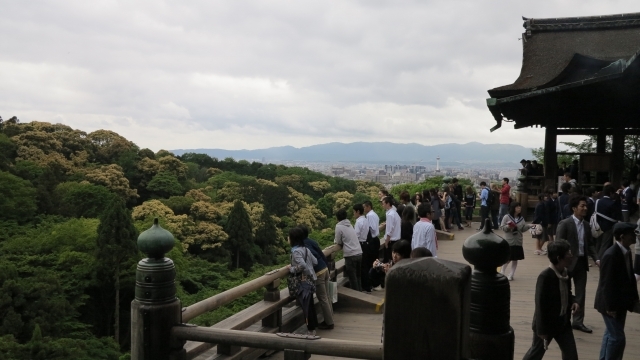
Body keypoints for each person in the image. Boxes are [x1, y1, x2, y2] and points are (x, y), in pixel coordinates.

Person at [522, 240, 579, 360]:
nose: (571, 255)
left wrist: (573, 301)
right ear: (559, 258)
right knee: (535, 354)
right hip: (546, 325)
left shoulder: (566, 273)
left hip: (563, 322)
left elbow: (568, 293)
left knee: (571, 355)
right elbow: (540, 305)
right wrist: (541, 330)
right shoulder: (545, 277)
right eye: (568, 253)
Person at [594, 222, 639, 359]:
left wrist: (634, 300)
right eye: (632, 234)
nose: (635, 236)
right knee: (617, 338)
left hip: (620, 302)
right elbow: (606, 283)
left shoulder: (625, 251)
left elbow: (629, 278)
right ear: (622, 236)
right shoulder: (611, 255)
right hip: (611, 305)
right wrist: (609, 307)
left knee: (610, 334)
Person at [555, 195, 599, 334]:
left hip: (581, 262)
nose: (585, 208)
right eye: (582, 206)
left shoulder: (586, 225)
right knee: (564, 292)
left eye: (586, 206)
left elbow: (590, 244)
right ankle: (562, 319)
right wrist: (558, 263)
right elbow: (558, 244)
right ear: (574, 208)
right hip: (567, 263)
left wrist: (597, 259)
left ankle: (578, 321)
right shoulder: (565, 223)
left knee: (581, 293)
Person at [300, 226, 334, 330]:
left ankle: (329, 323)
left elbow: (311, 258)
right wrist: (327, 266)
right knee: (327, 296)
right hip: (324, 268)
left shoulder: (304, 245)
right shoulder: (311, 241)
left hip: (318, 272)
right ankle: (330, 318)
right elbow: (321, 254)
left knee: (323, 298)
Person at [287, 227, 319, 336]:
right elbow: (315, 261)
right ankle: (314, 326)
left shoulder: (295, 252)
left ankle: (311, 330)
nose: (288, 238)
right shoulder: (306, 249)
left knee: (306, 306)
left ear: (293, 239)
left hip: (303, 282)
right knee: (310, 304)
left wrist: (291, 269)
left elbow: (302, 265)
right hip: (311, 279)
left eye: (289, 237)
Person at [500, 202, 531, 281]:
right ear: (513, 208)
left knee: (515, 259)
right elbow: (502, 227)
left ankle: (511, 274)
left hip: (518, 241)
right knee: (508, 258)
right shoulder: (507, 217)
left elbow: (522, 229)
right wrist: (508, 226)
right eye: (517, 207)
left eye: (520, 207)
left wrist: (529, 226)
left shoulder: (521, 218)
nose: (519, 209)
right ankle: (502, 272)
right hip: (509, 240)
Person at [334, 208, 363, 292]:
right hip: (359, 252)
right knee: (358, 276)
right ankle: (361, 295)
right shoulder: (349, 224)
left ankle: (357, 298)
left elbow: (338, 241)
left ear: (337, 218)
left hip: (350, 255)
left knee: (353, 278)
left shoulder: (338, 226)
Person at [595, 185, 622, 258]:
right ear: (611, 193)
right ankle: (600, 259)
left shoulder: (598, 201)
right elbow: (617, 215)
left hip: (597, 224)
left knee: (599, 243)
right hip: (608, 226)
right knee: (605, 244)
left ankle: (596, 257)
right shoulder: (612, 203)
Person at [362, 201, 381, 292]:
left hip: (372, 240)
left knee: (372, 262)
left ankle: (374, 283)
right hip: (375, 239)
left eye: (364, 207)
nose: (364, 209)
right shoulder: (374, 214)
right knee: (375, 261)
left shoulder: (369, 216)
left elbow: (372, 228)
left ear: (368, 207)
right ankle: (376, 282)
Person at [382, 196, 401, 263]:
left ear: (388, 204)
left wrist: (386, 242)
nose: (382, 205)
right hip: (397, 240)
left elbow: (389, 230)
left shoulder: (390, 215)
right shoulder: (394, 213)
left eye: (383, 203)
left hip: (392, 241)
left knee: (389, 261)